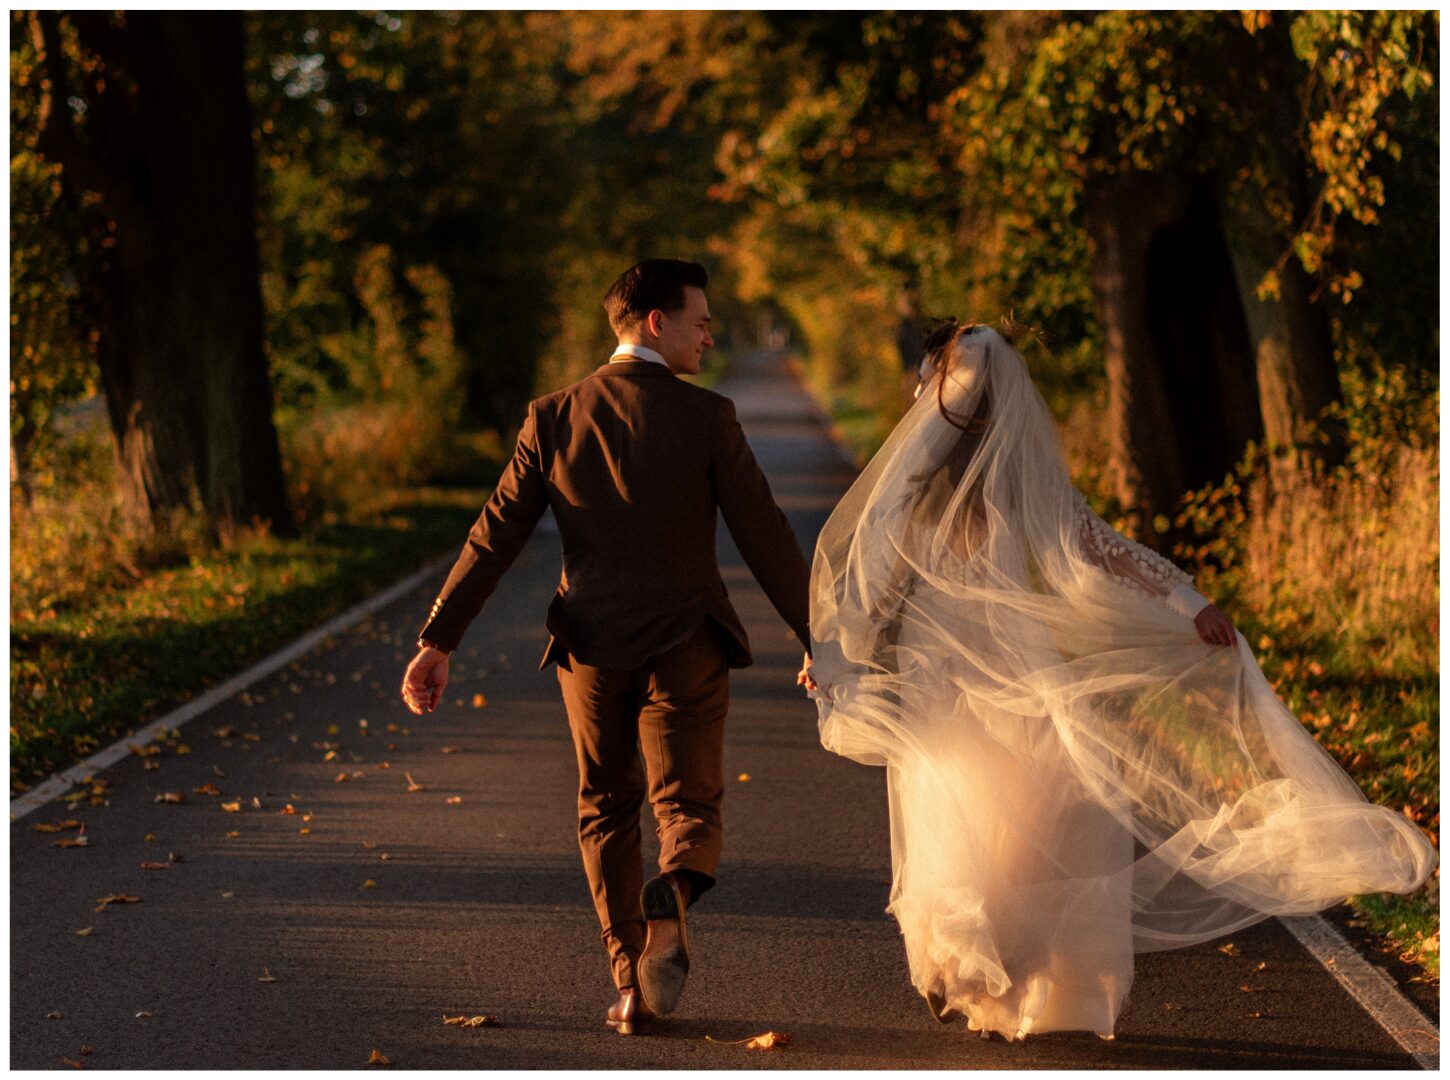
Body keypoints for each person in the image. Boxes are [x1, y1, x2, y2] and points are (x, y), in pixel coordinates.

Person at [800, 320, 1436, 1041]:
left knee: (969, 818)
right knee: (1029, 817)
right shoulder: (992, 483)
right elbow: (1104, 550)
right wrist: (1188, 603)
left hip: (954, 675)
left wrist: (831, 658)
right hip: (1002, 670)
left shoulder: (920, 488)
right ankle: (991, 963)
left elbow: (872, 596)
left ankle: (974, 964)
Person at [401, 259, 812, 1036]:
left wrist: (438, 639)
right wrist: (817, 636)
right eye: (700, 320)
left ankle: (631, 984)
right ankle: (673, 901)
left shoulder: (551, 416)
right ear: (656, 321)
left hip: (588, 647)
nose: (710, 333)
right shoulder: (708, 417)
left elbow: (494, 536)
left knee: (606, 805)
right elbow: (766, 537)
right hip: (686, 638)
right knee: (686, 801)